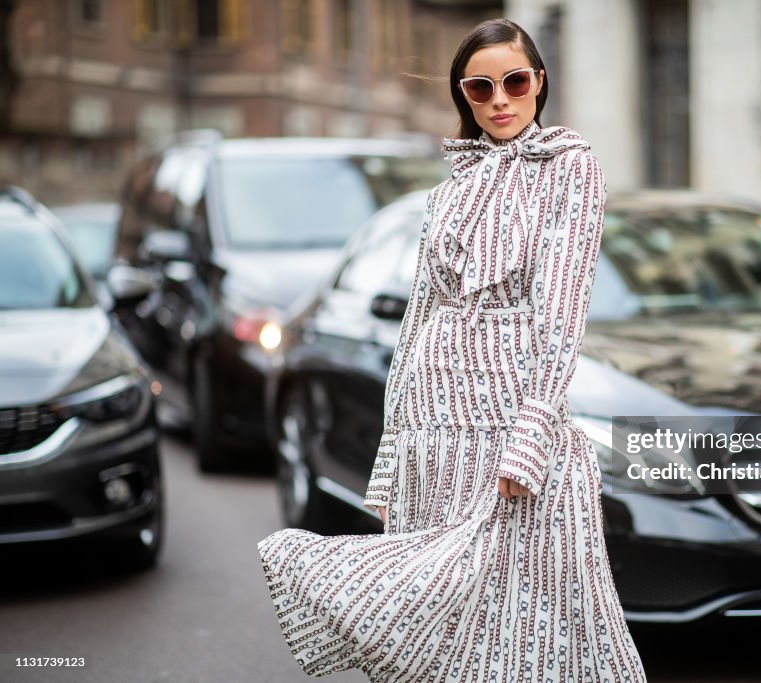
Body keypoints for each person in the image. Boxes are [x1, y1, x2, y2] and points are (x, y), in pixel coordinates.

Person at [257, 18, 647, 682]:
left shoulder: (569, 167)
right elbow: (417, 325)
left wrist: (529, 436)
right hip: (430, 439)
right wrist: (389, 458)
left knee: (534, 633)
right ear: (463, 94)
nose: (500, 99)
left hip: (509, 432)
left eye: (515, 82)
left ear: (539, 84)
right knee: (438, 639)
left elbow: (562, 317)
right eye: (481, 86)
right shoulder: (448, 190)